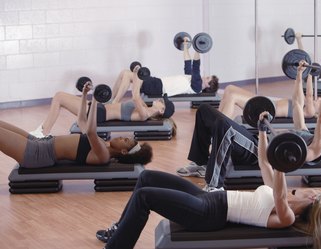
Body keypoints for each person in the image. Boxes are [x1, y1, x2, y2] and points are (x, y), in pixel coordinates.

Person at [95, 114, 321, 249]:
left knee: (144, 196)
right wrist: (262, 131)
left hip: (209, 213)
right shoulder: (281, 196)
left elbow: (280, 196)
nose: (311, 189)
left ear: (314, 198)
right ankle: (118, 230)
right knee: (147, 177)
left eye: (314, 190)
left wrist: (283, 164)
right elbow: (264, 162)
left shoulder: (287, 217)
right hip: (209, 198)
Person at [177, 61, 321, 188]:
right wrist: (299, 75)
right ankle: (200, 163)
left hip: (256, 153)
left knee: (224, 126)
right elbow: (298, 103)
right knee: (204, 110)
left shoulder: (317, 149)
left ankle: (214, 186)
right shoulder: (305, 133)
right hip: (256, 140)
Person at [3, 82, 153, 169]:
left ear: (124, 152)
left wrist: (94, 101)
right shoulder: (102, 146)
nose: (121, 137)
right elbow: (82, 121)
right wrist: (84, 95)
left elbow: (91, 131)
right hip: (39, 143)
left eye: (125, 141)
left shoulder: (103, 155)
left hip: (38, 153)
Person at [30, 73, 176, 138]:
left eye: (162, 102)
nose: (159, 100)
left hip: (99, 114)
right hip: (100, 107)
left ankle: (43, 132)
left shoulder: (144, 114)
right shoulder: (145, 106)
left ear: (161, 110)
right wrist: (135, 73)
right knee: (59, 96)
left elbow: (135, 95)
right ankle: (43, 130)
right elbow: (134, 91)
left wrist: (137, 75)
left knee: (59, 97)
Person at [113, 37, 219, 100]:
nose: (206, 76)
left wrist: (197, 49)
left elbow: (196, 66)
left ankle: (115, 103)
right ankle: (111, 99)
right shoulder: (192, 80)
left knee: (127, 74)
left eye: (208, 78)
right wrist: (186, 45)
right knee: (124, 73)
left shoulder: (197, 86)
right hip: (157, 83)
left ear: (207, 85)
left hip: (158, 88)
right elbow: (188, 63)